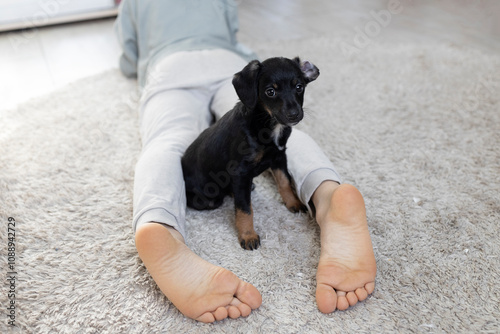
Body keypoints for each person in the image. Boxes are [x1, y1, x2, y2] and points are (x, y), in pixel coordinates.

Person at [114, 0, 376, 323]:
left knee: (166, 140)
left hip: (168, 69)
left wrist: (137, 71)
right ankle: (327, 194)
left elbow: (129, 54)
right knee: (278, 130)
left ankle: (160, 225)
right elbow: (232, 36)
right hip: (226, 63)